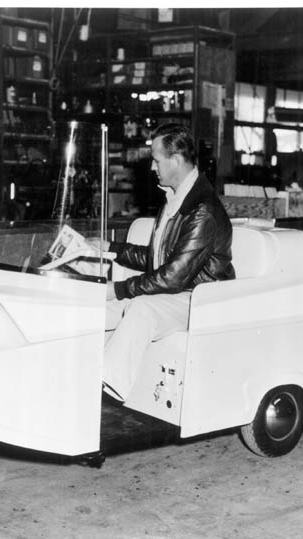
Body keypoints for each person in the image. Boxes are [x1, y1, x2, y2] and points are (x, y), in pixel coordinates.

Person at [97, 123, 235, 402]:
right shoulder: (175, 199)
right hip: (177, 293)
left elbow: (173, 276)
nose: (152, 167)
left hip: (200, 299)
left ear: (176, 160)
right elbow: (156, 259)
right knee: (101, 308)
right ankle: (84, 368)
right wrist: (110, 248)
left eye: (156, 160)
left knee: (141, 308)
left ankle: (105, 386)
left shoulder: (202, 210)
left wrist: (119, 289)